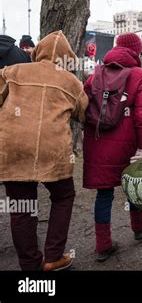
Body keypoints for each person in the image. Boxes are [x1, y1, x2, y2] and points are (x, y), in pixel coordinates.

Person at [0, 31, 88, 271]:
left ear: (38, 51)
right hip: (54, 150)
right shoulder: (72, 82)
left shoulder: (14, 71)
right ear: (65, 57)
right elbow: (84, 115)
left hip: (14, 147)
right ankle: (53, 257)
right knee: (63, 196)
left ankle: (29, 265)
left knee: (21, 208)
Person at [83, 34, 142, 262]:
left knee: (104, 194)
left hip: (98, 141)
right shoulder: (139, 75)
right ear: (136, 51)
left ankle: (103, 244)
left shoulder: (97, 73)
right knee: (132, 185)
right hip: (126, 144)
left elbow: (83, 101)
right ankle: (139, 227)